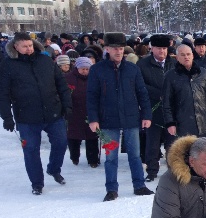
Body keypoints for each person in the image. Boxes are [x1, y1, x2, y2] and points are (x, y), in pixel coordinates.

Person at [0, 32, 72, 195]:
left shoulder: (45, 60)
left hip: (53, 112)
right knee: (31, 150)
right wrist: (6, 117)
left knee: (61, 143)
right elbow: (1, 93)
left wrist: (67, 105)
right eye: (24, 46)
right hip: (26, 117)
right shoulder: (8, 65)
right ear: (16, 47)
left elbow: (61, 85)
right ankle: (37, 183)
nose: (29, 49)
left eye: (30, 45)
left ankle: (53, 168)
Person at [86, 32, 154, 202]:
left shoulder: (133, 68)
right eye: (115, 48)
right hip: (108, 120)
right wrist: (93, 119)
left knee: (135, 155)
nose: (118, 52)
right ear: (107, 48)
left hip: (131, 118)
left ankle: (139, 185)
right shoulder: (97, 70)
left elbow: (142, 93)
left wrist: (146, 114)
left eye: (121, 48)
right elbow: (91, 96)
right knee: (111, 157)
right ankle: (111, 189)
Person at [162, 43, 206, 152]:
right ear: (177, 57)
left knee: (202, 156)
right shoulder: (171, 76)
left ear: (193, 55)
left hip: (203, 124)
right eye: (183, 55)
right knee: (184, 157)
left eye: (189, 54)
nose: (186, 57)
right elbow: (167, 103)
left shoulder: (204, 74)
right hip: (181, 125)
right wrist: (170, 123)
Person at [137, 34, 176, 181]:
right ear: (151, 48)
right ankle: (152, 171)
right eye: (159, 48)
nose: (162, 52)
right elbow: (140, 85)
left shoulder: (173, 63)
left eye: (164, 48)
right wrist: (159, 94)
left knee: (172, 143)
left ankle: (173, 170)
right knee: (152, 143)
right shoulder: (143, 65)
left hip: (171, 111)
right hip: (152, 109)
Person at [65, 57, 99, 167]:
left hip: (90, 111)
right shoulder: (69, 78)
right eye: (82, 69)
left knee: (92, 136)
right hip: (74, 112)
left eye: (87, 69)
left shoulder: (94, 78)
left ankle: (93, 159)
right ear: (77, 68)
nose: (84, 71)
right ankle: (74, 157)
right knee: (74, 136)